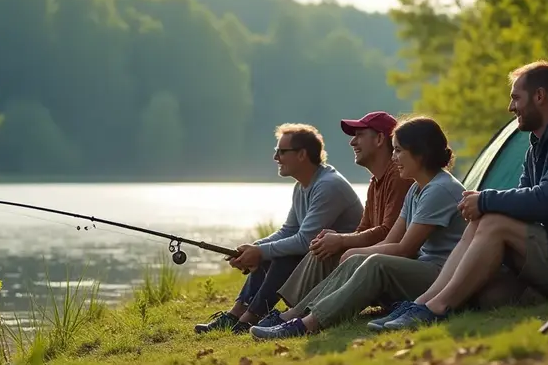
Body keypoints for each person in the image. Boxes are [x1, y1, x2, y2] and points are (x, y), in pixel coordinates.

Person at [374, 60, 548, 331]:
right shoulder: (538, 146)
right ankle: (421, 303)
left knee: (492, 221)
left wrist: (485, 199)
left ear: (539, 96)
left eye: (516, 98)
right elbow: (524, 197)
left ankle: (435, 309)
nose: (511, 106)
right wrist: (483, 204)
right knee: (490, 289)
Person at [248, 115, 468, 339]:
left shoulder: (439, 189)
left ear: (420, 152)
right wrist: (352, 251)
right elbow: (391, 241)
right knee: (358, 257)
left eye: (399, 151)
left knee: (375, 263)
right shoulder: (417, 189)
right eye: (394, 150)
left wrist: (354, 249)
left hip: (444, 275)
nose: (394, 157)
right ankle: (295, 316)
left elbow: (405, 249)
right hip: (426, 269)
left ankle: (306, 324)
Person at [194, 123, 363, 334]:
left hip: (340, 267)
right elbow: (288, 230)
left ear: (302, 154)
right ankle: (236, 314)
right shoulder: (302, 185)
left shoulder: (328, 185)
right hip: (318, 259)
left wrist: (261, 251)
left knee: (283, 255)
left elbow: (304, 241)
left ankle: (249, 318)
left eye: (282, 152)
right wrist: (253, 249)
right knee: (272, 250)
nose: (276, 158)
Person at [272, 111, 412, 310]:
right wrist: (337, 238)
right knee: (322, 247)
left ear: (380, 139)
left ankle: (295, 314)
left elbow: (388, 232)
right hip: (378, 258)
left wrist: (342, 240)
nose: (352, 142)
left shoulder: (399, 178)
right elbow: (364, 228)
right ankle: (292, 312)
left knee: (327, 248)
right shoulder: (376, 182)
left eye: (359, 135)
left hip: (392, 267)